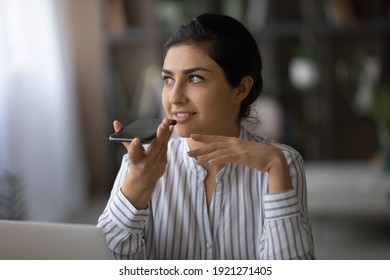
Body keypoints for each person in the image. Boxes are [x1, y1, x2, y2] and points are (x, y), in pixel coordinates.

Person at [97, 13, 315, 260]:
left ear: (241, 89)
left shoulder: (283, 163)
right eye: (168, 79)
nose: (174, 97)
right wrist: (139, 183)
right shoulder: (138, 165)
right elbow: (106, 261)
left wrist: (276, 167)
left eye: (195, 78)